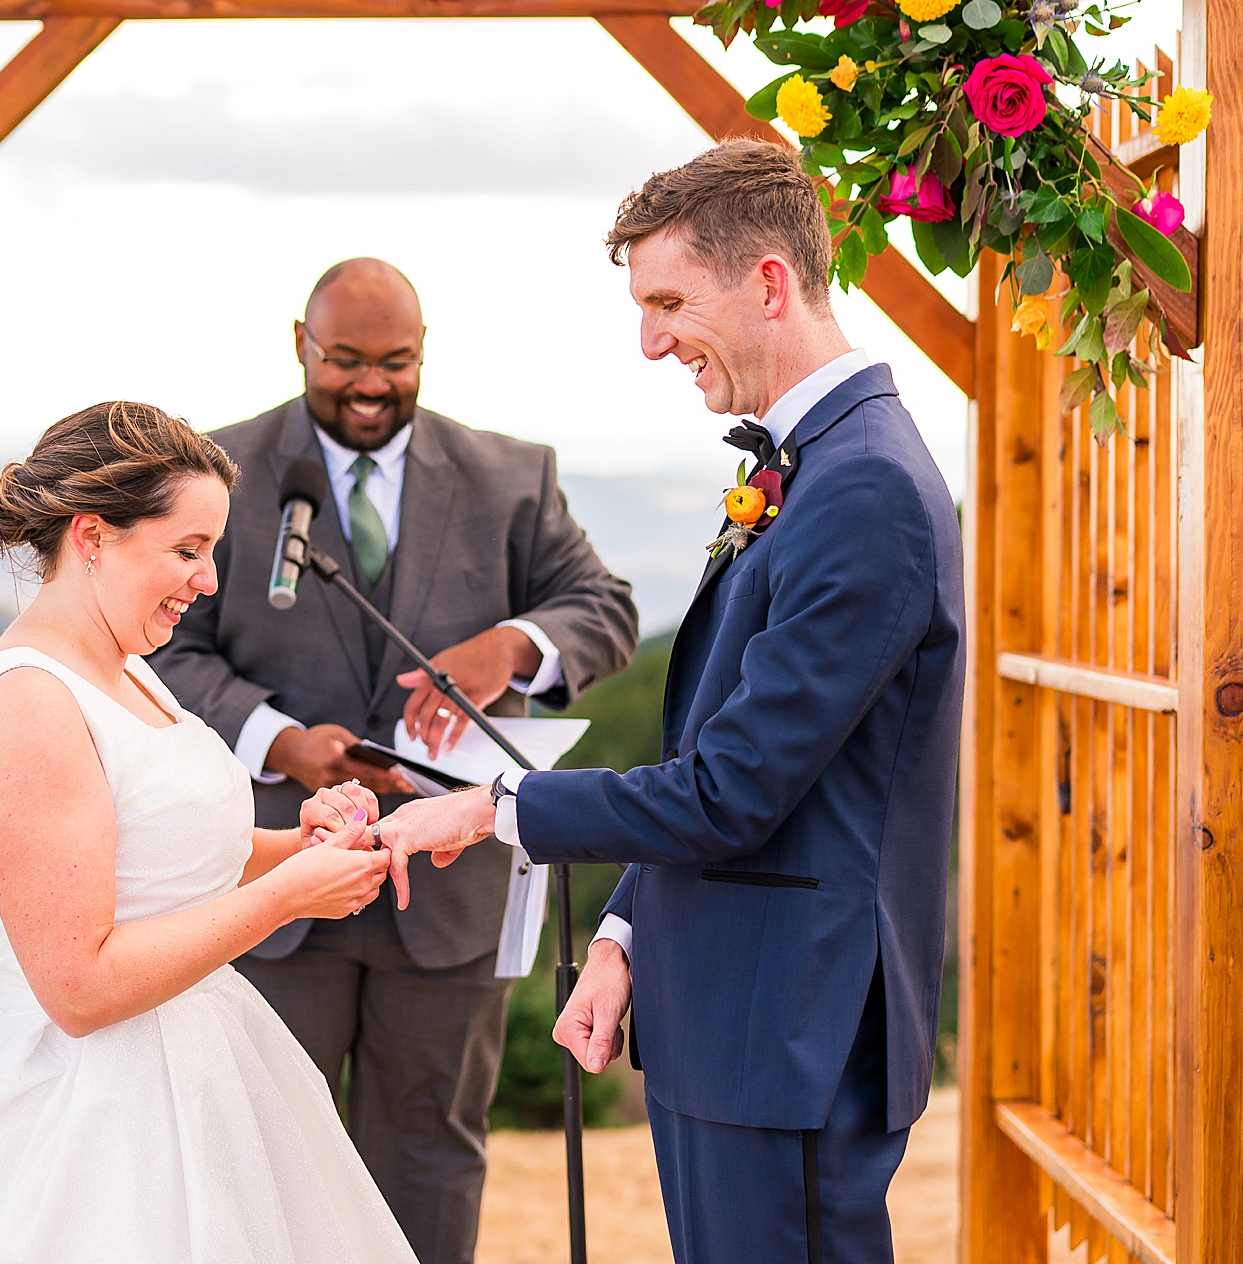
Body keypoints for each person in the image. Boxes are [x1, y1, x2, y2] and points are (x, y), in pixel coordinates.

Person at [376, 140, 965, 1264]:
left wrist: (489, 805)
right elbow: (726, 745)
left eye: (668, 302)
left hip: (790, 1027)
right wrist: (625, 932)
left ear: (770, 284)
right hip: (733, 1016)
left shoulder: (867, 489)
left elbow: (729, 790)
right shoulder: (819, 466)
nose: (650, 340)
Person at [0, 401, 418, 1263]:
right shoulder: (28, 705)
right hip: (93, 1117)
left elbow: (168, 867)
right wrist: (286, 897)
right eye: (187, 551)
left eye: (213, 553)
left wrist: (301, 847)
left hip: (206, 1071)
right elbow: (78, 988)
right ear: (92, 537)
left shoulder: (128, 672)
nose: (209, 581)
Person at [149, 258, 638, 1264]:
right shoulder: (218, 472)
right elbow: (165, 645)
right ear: (300, 344)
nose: (371, 384)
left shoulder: (513, 476)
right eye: (345, 361)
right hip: (275, 886)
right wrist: (274, 737)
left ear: (424, 354)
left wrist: (513, 646)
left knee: (429, 1153)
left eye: (396, 361)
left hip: (449, 903)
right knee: (255, 1153)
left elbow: (605, 611)